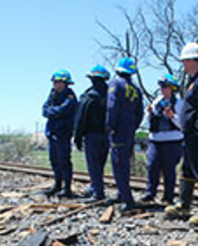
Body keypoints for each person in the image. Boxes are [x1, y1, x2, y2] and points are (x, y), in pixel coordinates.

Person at [165, 42, 198, 225]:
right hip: (189, 134)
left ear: (193, 60)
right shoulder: (195, 81)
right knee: (187, 168)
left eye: (185, 61)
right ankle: (184, 204)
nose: (184, 65)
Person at [106, 57, 144, 212]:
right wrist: (133, 127)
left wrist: (111, 126)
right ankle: (122, 193)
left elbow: (112, 106)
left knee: (118, 166)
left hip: (118, 131)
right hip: (129, 131)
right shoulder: (136, 89)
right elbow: (140, 113)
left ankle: (128, 201)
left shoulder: (115, 84)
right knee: (125, 165)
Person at [142, 74, 184, 204]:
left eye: (165, 87)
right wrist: (149, 113)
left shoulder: (179, 104)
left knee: (169, 170)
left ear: (172, 88)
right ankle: (150, 193)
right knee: (152, 166)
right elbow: (146, 122)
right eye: (161, 87)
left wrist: (172, 116)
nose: (162, 89)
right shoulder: (156, 102)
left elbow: (183, 125)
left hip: (173, 141)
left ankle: (168, 196)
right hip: (155, 139)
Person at [74, 64, 110, 202]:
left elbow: (80, 119)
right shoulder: (111, 95)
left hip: (92, 136)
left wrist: (77, 137)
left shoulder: (88, 96)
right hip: (107, 135)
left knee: (93, 165)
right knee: (99, 164)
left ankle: (98, 193)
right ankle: (94, 186)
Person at [42, 69, 78, 198]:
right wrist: (53, 111)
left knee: (64, 161)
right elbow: (44, 110)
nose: (55, 85)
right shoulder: (52, 95)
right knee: (54, 160)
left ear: (65, 83)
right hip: (52, 132)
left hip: (63, 133)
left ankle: (67, 188)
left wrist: (53, 111)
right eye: (54, 82)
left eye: (58, 82)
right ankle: (57, 185)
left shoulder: (70, 97)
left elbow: (62, 110)